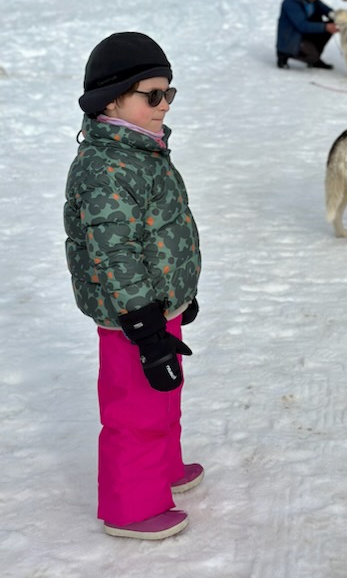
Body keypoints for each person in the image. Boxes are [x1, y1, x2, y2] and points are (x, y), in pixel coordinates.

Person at [64, 32, 203, 540]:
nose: (165, 104)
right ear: (111, 101)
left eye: (169, 93)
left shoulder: (140, 150)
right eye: (153, 94)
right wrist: (143, 323)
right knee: (136, 409)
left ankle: (163, 468)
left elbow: (160, 232)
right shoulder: (105, 167)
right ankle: (132, 509)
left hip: (157, 303)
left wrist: (179, 292)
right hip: (129, 314)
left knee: (164, 392)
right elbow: (114, 254)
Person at [276, 0, 338, 69]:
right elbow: (301, 25)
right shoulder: (291, 2)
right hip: (291, 37)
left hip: (302, 34)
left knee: (331, 23)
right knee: (313, 55)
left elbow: (325, 9)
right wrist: (325, 27)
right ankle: (284, 54)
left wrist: (337, 17)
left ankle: (315, 57)